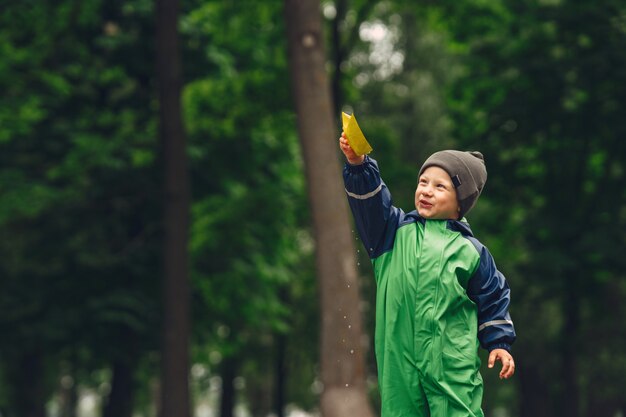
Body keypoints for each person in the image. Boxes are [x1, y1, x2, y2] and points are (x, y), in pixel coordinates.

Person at [339, 132, 516, 417]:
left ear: (460, 202)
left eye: (439, 186)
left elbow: (493, 296)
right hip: (399, 363)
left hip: (451, 365)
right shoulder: (390, 234)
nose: (426, 190)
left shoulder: (470, 252)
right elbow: (371, 204)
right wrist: (359, 165)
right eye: (423, 182)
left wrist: (499, 343)